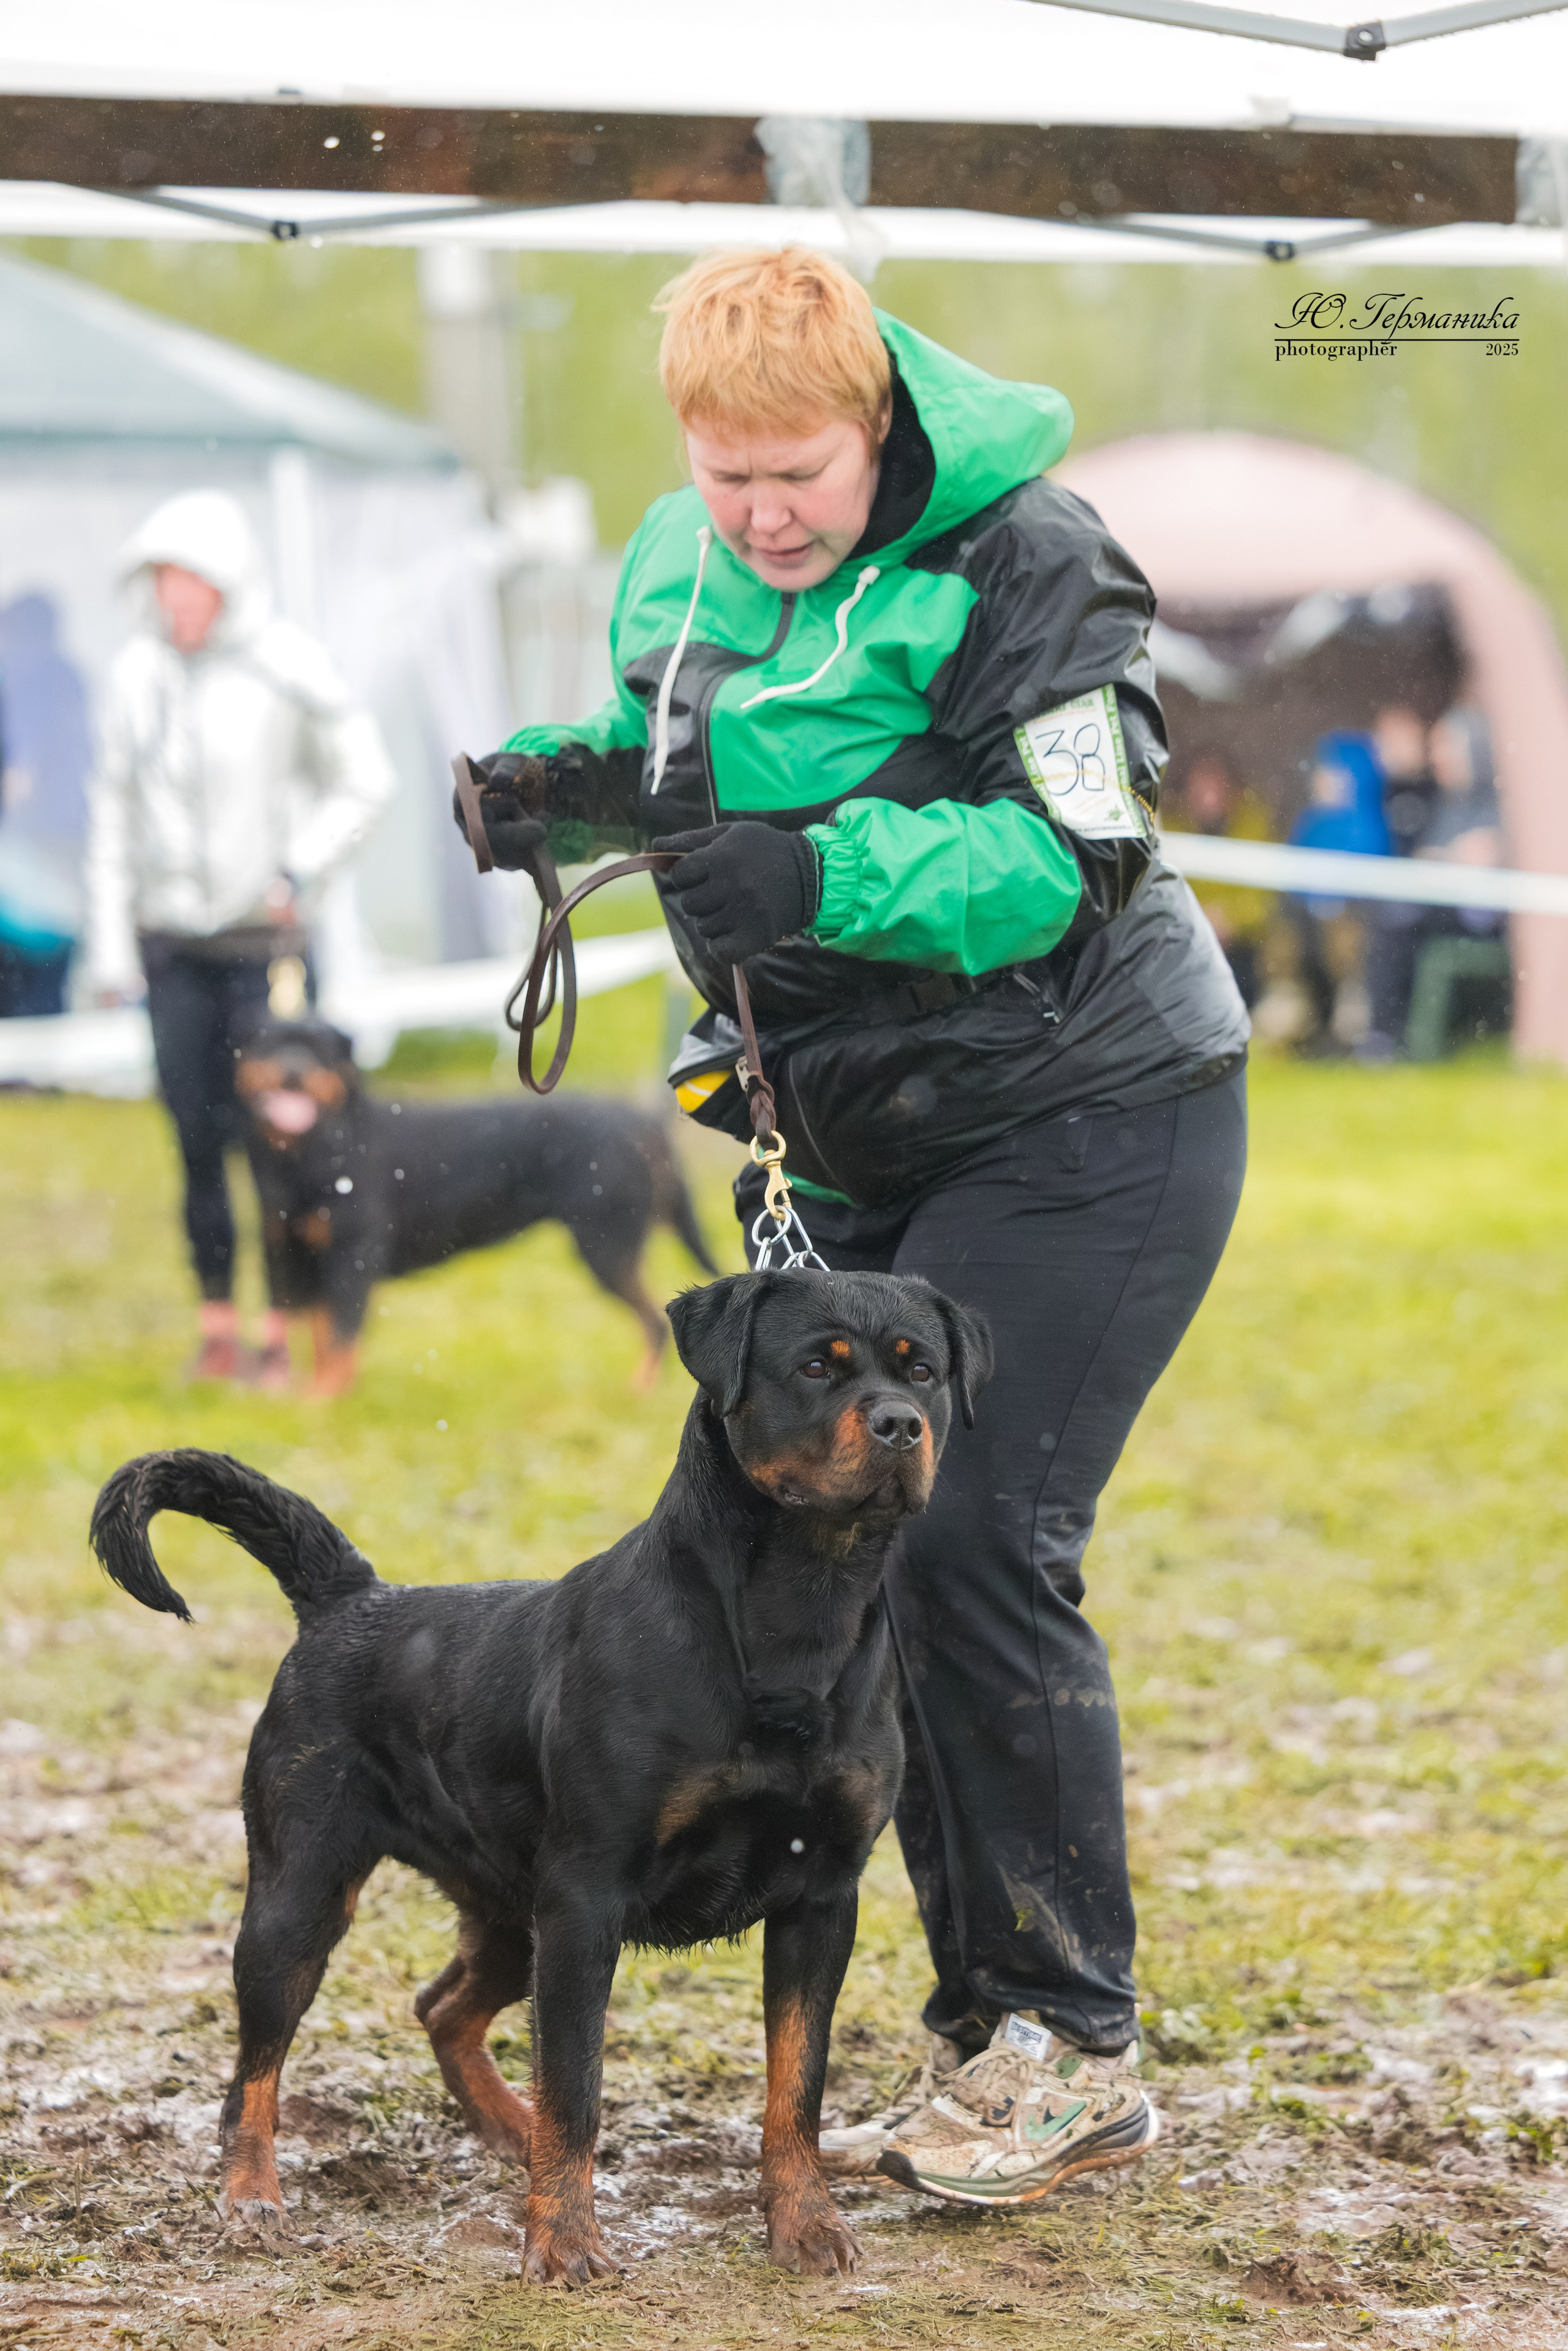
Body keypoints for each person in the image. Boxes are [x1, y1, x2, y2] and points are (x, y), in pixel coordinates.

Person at [457, 248, 1249, 2208]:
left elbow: (1076, 859)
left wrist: (815, 865)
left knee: (971, 1525)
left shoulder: (1032, 561)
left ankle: (1068, 2033)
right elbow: (690, 773)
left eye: (793, 473)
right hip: (850, 1121)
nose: (759, 517)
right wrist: (562, 802)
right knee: (843, 1538)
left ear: (874, 424)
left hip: (1090, 1098)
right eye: (722, 477)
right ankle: (978, 2036)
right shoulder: (680, 557)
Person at [85, 491, 394, 1381]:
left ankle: (281, 1325)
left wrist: (301, 869)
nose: (176, 598)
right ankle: (215, 1322)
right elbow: (111, 812)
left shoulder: (285, 666)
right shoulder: (134, 677)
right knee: (195, 1133)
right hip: (170, 943)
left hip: (264, 944)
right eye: (163, 581)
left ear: (228, 584)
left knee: (283, 1137)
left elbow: (364, 780)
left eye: (192, 580)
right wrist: (111, 944)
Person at [1286, 731, 1389, 1053]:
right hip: (1307, 924)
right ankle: (1310, 1024)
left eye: (1332, 775)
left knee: (1342, 951)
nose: (1322, 782)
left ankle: (1349, 1029)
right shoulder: (1312, 824)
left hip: (1353, 926)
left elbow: (1371, 883)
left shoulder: (1368, 826)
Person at [1175, 751, 1275, 1010]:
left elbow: (1264, 899)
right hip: (1187, 941)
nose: (1208, 796)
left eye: (1215, 785)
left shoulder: (1253, 826)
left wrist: (1229, 920)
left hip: (1241, 945)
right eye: (1200, 787)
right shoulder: (1174, 829)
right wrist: (1200, 919)